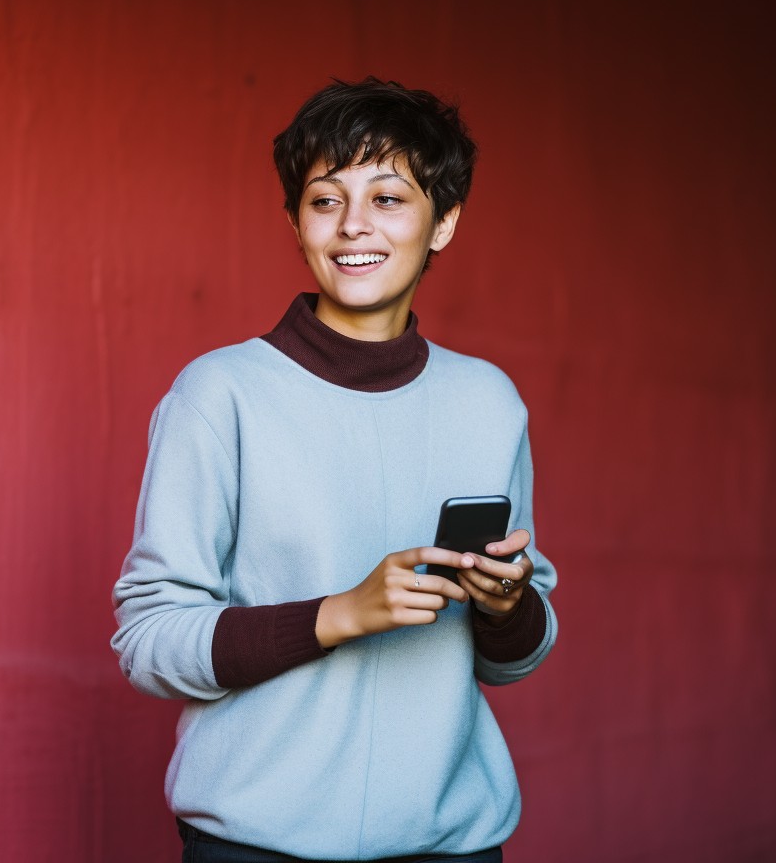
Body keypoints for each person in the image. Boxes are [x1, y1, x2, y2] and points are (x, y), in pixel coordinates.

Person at [111, 78, 558, 863]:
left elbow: (515, 656)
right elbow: (149, 639)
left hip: (453, 844)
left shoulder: (490, 403)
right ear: (295, 220)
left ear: (443, 222)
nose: (355, 225)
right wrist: (340, 613)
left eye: (389, 198)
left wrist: (506, 603)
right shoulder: (220, 395)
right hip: (255, 845)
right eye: (325, 199)